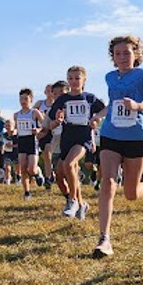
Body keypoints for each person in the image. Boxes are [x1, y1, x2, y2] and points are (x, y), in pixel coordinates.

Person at [94, 35, 143, 258]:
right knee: (107, 183)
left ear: (136, 54)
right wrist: (98, 116)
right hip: (110, 134)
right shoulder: (109, 78)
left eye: (127, 53)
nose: (122, 57)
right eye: (118, 54)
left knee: (130, 194)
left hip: (136, 135)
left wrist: (138, 105)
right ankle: (104, 239)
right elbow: (114, 104)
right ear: (112, 57)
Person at [42, 66, 106, 221]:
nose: (74, 81)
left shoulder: (89, 98)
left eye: (77, 78)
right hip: (67, 138)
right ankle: (81, 203)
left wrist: (96, 118)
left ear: (84, 80)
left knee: (69, 165)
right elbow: (50, 123)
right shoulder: (63, 99)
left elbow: (105, 110)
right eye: (70, 78)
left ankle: (72, 201)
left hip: (83, 138)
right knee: (67, 171)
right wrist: (56, 122)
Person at [12, 89, 46, 199]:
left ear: (31, 99)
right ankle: (27, 192)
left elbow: (44, 125)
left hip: (32, 141)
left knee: (31, 169)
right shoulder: (16, 115)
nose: (23, 101)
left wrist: (38, 130)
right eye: (21, 99)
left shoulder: (34, 112)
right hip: (22, 141)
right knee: (22, 167)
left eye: (26, 99)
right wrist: (14, 131)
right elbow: (16, 128)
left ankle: (37, 173)